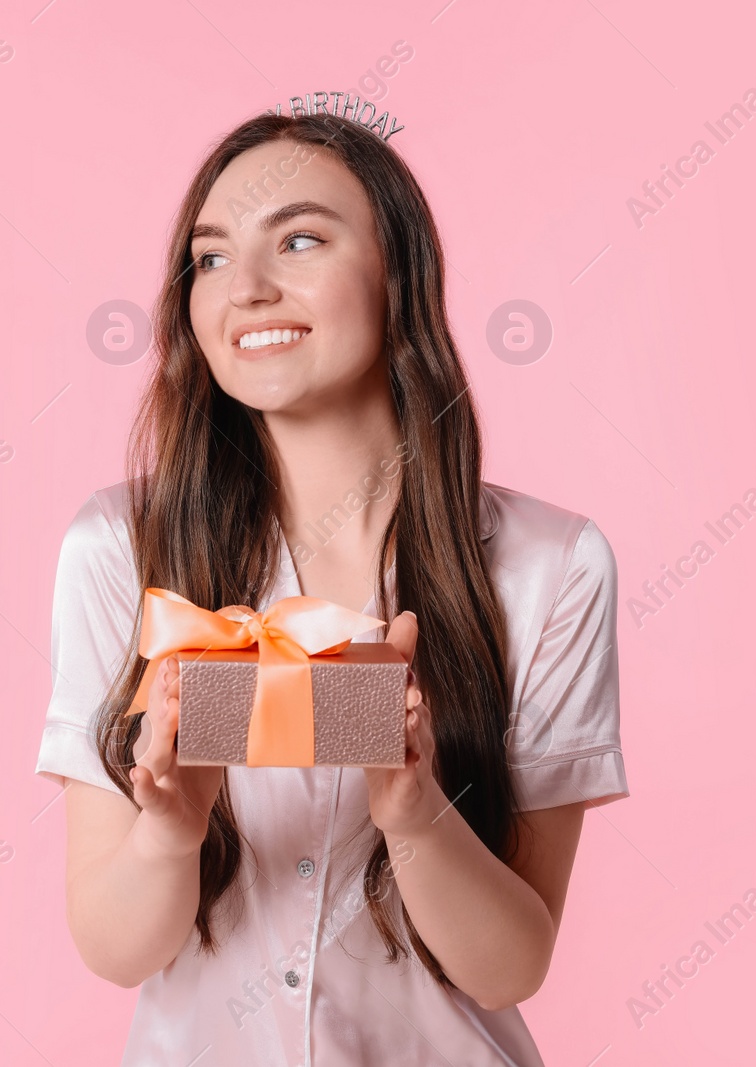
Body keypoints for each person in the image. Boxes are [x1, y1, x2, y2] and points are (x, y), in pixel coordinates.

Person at [36, 110, 629, 1066]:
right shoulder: (118, 547)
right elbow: (114, 947)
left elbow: (510, 966)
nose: (249, 290)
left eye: (300, 240)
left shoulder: (551, 567)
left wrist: (415, 813)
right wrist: (166, 837)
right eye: (212, 258)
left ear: (401, 274)